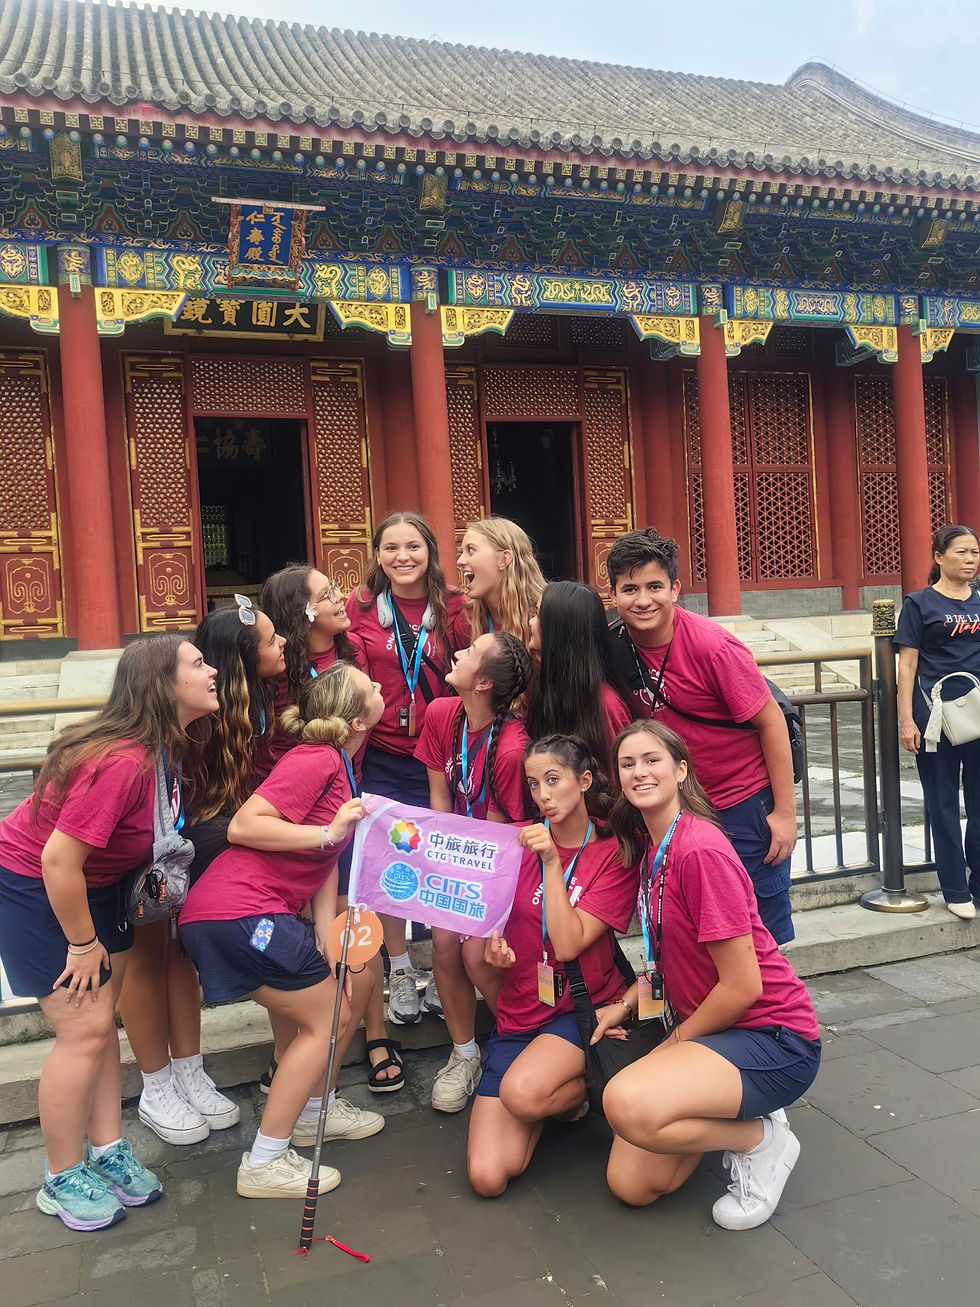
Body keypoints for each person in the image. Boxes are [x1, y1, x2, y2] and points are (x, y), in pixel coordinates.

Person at [0, 635, 218, 1232]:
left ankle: (107, 1151)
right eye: (198, 664)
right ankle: (60, 1175)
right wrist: (80, 942)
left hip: (97, 887)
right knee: (84, 1030)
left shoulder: (166, 747)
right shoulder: (124, 761)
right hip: (37, 887)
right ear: (163, 685)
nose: (212, 672)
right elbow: (56, 861)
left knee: (100, 1029)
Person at [594, 720, 820, 1231]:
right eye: (627, 764)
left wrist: (670, 1046)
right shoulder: (656, 848)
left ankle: (762, 1141)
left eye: (651, 760)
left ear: (681, 770)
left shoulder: (699, 850)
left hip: (774, 1037)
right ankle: (742, 1111)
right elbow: (666, 960)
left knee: (625, 1104)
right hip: (718, 1034)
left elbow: (744, 986)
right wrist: (625, 1004)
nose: (638, 772)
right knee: (632, 1184)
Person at [179, 661, 386, 1200]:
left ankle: (315, 1111)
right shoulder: (316, 757)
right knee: (326, 1018)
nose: (379, 685)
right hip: (240, 913)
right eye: (370, 686)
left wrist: (325, 933)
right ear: (357, 718)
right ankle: (265, 1160)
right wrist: (327, 834)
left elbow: (324, 861)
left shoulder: (341, 763)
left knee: (349, 990)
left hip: (246, 914)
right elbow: (245, 825)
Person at [116, 599, 285, 1147]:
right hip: (135, 867)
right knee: (147, 959)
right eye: (197, 664)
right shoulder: (136, 751)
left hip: (174, 858)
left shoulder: (207, 722)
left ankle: (189, 1070)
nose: (209, 669)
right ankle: (156, 1084)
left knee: (177, 957)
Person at [606, 529, 798, 945]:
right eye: (630, 589)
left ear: (675, 589)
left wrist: (785, 814)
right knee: (692, 929)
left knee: (758, 934)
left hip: (740, 802)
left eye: (654, 587)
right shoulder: (613, 646)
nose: (643, 600)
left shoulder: (714, 647)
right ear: (614, 595)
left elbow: (771, 723)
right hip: (676, 808)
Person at [466, 735, 638, 1198]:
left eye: (553, 780)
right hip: (522, 1008)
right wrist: (493, 951)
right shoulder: (514, 842)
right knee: (488, 1178)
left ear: (583, 781)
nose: (542, 795)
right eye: (533, 784)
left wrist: (551, 862)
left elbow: (568, 943)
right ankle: (550, 1101)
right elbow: (486, 920)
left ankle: (591, 1083)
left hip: (579, 1010)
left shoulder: (613, 852)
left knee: (522, 1094)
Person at [346, 511, 466, 1037]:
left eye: (413, 546)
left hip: (441, 753)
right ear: (377, 555)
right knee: (389, 860)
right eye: (391, 547)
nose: (402, 557)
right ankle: (398, 968)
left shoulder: (455, 605)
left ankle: (443, 966)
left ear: (430, 551)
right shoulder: (360, 606)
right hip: (383, 755)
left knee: (438, 858)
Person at [414, 631, 534, 1112]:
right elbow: (439, 804)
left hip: (497, 864)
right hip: (452, 854)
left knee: (474, 951)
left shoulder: (512, 748)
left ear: (483, 682)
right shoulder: (441, 714)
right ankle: (464, 1055)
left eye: (471, 652)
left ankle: (523, 1037)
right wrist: (442, 875)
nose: (459, 651)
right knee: (443, 940)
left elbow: (498, 838)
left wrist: (475, 906)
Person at [896, 523, 980, 919]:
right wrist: (906, 719)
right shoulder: (919, 604)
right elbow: (907, 665)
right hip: (935, 719)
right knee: (943, 803)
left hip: (978, 714)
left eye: (975, 552)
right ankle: (955, 888)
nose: (970, 559)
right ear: (938, 557)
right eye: (962, 552)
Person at [259, 563, 359, 779]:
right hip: (297, 782)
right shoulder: (277, 667)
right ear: (301, 613)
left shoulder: (355, 647)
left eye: (334, 586)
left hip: (350, 779)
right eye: (326, 595)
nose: (340, 596)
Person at [527, 580, 634, 774]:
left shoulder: (606, 706)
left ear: (559, 630)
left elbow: (620, 781)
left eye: (538, 615)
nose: (530, 623)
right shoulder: (543, 686)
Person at [455, 516, 545, 649]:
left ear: (504, 559)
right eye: (462, 552)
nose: (460, 561)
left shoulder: (543, 616)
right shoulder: (467, 621)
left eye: (471, 550)